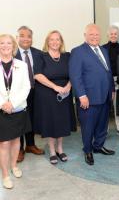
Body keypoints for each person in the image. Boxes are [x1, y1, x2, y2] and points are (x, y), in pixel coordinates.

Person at [69, 24, 115, 165]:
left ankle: (98, 146)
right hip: (88, 99)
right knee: (88, 127)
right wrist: (81, 95)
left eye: (96, 34)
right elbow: (75, 76)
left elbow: (108, 72)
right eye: (91, 34)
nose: (94, 37)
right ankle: (88, 150)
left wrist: (112, 90)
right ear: (85, 35)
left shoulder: (103, 50)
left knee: (102, 125)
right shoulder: (77, 51)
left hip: (105, 96)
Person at [33, 30, 76, 164]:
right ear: (47, 42)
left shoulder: (67, 56)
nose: (55, 42)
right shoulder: (41, 56)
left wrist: (68, 86)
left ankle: (60, 148)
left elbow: (74, 73)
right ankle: (52, 150)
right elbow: (37, 75)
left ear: (61, 42)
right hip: (47, 94)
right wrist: (55, 87)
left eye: (57, 39)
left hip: (64, 94)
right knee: (50, 122)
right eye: (52, 39)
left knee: (62, 122)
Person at [0, 34, 31, 189]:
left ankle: (14, 166)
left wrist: (13, 103)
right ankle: (5, 175)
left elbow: (26, 87)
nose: (5, 46)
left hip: (18, 108)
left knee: (16, 140)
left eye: (8, 43)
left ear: (13, 46)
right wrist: (3, 104)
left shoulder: (21, 64)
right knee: (4, 142)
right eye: (2, 43)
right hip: (1, 110)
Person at [15, 26, 45, 162]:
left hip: (35, 92)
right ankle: (19, 149)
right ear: (17, 38)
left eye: (29, 36)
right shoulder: (12, 53)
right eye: (22, 35)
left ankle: (31, 145)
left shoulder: (39, 53)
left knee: (32, 119)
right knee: (20, 120)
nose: (26, 38)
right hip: (18, 94)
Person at [102, 25, 119, 138]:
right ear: (108, 35)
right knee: (106, 107)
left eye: (115, 34)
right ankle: (104, 130)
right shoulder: (102, 49)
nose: (113, 35)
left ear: (118, 35)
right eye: (111, 34)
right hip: (106, 82)